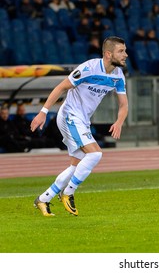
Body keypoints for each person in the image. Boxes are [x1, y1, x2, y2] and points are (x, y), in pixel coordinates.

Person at [31, 36, 129, 217]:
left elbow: (123, 104)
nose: (126, 55)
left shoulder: (117, 75)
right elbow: (61, 87)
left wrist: (119, 122)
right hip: (70, 115)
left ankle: (44, 198)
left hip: (82, 119)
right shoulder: (88, 68)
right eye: (121, 51)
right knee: (95, 154)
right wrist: (43, 112)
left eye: (125, 51)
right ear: (108, 54)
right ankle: (68, 192)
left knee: (77, 164)